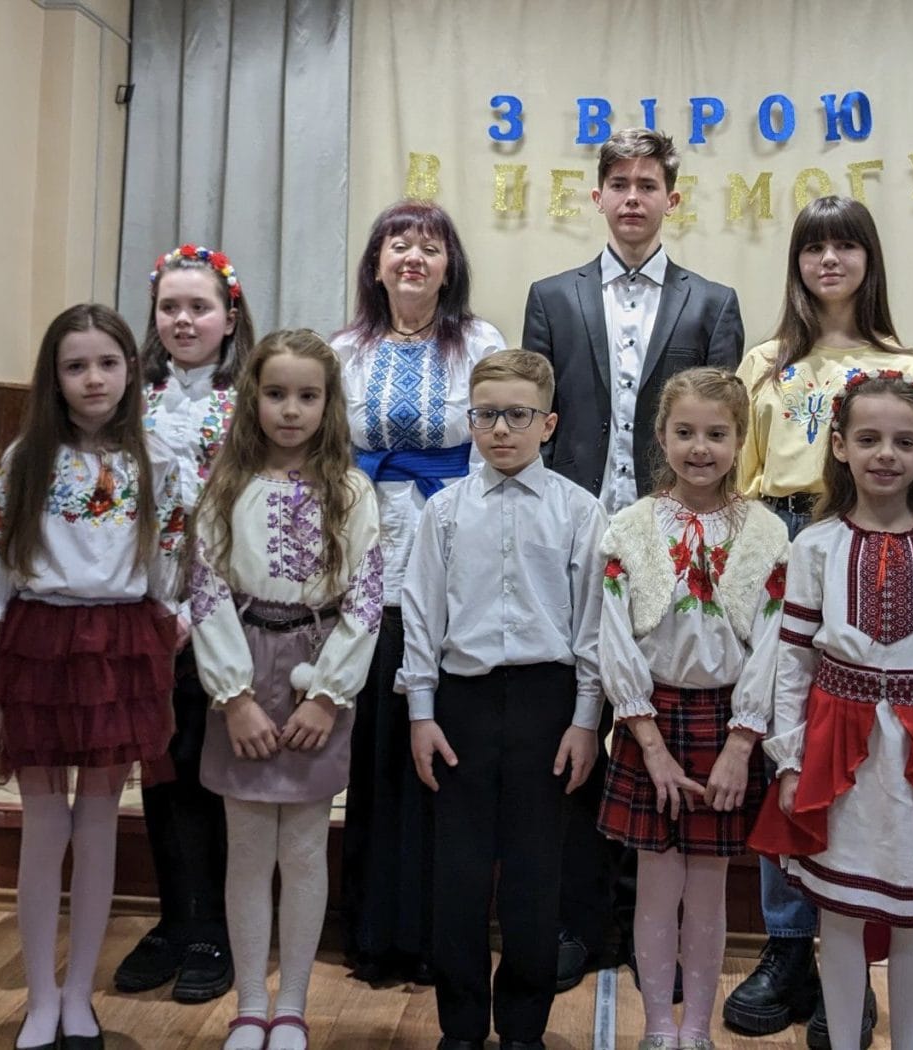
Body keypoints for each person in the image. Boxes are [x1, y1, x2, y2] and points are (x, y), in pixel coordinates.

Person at [523, 126, 745, 991]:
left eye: (648, 184)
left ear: (670, 199)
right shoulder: (553, 296)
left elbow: (717, 428)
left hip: (674, 539)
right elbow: (542, 422)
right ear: (598, 195)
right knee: (580, 716)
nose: (631, 197)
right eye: (618, 183)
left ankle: (659, 926)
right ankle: (584, 921)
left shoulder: (711, 303)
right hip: (576, 535)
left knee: (666, 716)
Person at [725, 196, 913, 1049]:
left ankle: (852, 959)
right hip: (782, 536)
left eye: (847, 246)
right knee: (786, 737)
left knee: (857, 745)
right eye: (814, 248)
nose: (830, 261)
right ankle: (788, 949)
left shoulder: (904, 366)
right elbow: (741, 477)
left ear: (869, 261)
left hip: (866, 540)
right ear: (797, 263)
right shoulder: (765, 362)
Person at [748, 370, 913, 1050]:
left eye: (903, 441)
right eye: (868, 439)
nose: (885, 454)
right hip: (838, 755)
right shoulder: (815, 547)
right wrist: (790, 760)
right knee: (840, 914)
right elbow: (793, 664)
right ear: (839, 446)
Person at [0, 304, 184, 1050]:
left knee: (98, 824)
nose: (93, 378)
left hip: (122, 644)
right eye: (75, 366)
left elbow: (168, 579)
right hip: (39, 643)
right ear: (54, 376)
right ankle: (40, 997)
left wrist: (163, 663)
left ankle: (77, 997)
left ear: (131, 370)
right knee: (44, 823)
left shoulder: (158, 460)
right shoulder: (26, 457)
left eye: (107, 362)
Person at [397, 349, 606, 1050]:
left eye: (518, 415)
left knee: (534, 876)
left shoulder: (579, 511)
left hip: (548, 705)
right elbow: (422, 615)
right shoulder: (444, 511)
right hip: (462, 703)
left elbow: (592, 624)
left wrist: (585, 720)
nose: (500, 430)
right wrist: (421, 713)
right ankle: (460, 1028)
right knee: (457, 875)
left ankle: (522, 1030)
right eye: (485, 415)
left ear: (548, 423)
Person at [188, 329, 382, 1050]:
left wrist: (328, 694)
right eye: (276, 394)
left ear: (329, 404)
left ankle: (292, 1005)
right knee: (246, 847)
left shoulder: (351, 491)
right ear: (253, 400)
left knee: (302, 847)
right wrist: (233, 696)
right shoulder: (226, 486)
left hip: (317, 667)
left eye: (307, 396)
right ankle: (249, 1003)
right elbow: (206, 589)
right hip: (240, 664)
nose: (291, 410)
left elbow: (366, 598)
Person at [333, 200, 505, 984]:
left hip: (452, 564)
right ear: (376, 265)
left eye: (429, 247)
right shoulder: (344, 351)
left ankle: (444, 935)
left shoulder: (481, 343)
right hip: (365, 563)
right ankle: (374, 933)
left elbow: (499, 451)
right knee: (376, 751)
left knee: (443, 754)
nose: (412, 257)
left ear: (449, 266)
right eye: (397, 244)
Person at [597, 368, 788, 1050]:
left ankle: (698, 1029)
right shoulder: (629, 528)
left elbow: (773, 645)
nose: (700, 448)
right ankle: (657, 1026)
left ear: (740, 442)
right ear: (661, 435)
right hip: (651, 720)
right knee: (656, 883)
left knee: (708, 887)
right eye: (684, 432)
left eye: (716, 433)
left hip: (727, 724)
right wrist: (648, 743)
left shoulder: (767, 534)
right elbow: (613, 638)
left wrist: (742, 743)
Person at [114, 243, 255, 1003]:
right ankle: (174, 918)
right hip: (145, 608)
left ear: (229, 317)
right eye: (170, 306)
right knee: (162, 769)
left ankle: (216, 927)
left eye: (200, 307)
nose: (183, 320)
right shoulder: (130, 394)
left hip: (229, 608)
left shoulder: (253, 397)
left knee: (214, 768)